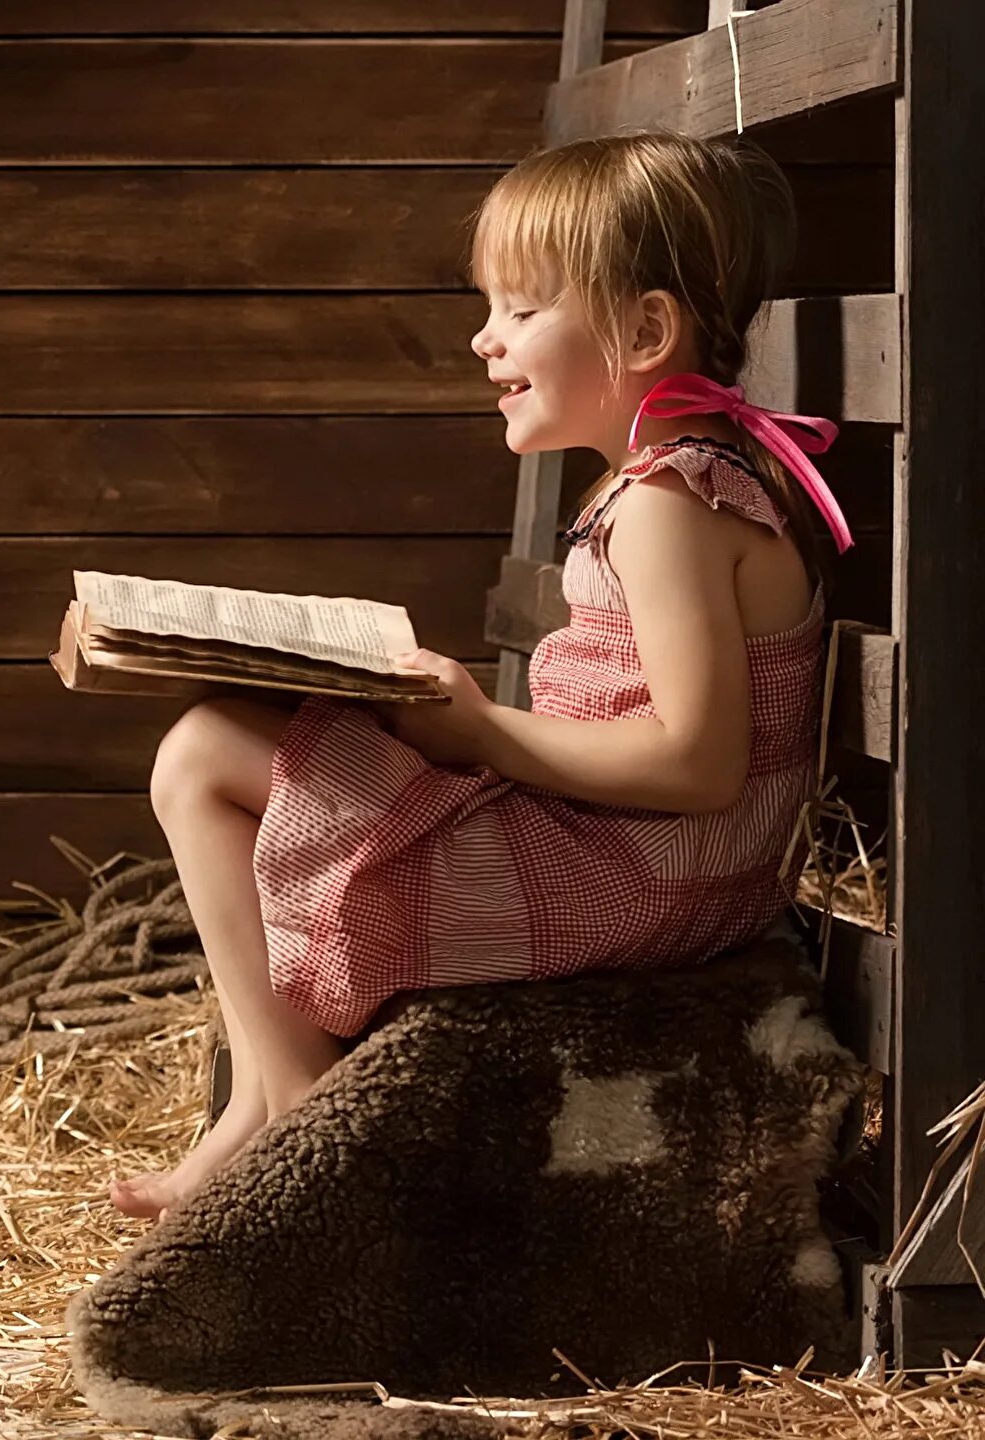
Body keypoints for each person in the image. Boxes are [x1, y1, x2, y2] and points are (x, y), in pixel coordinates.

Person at [111, 131, 851, 1219]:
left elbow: (696, 764)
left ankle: (291, 1105)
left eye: (520, 310)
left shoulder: (669, 507)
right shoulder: (663, 488)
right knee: (221, 739)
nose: (483, 339)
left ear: (644, 330)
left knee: (204, 752)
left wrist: (482, 733)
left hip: (640, 877)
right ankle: (269, 1096)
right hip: (627, 848)